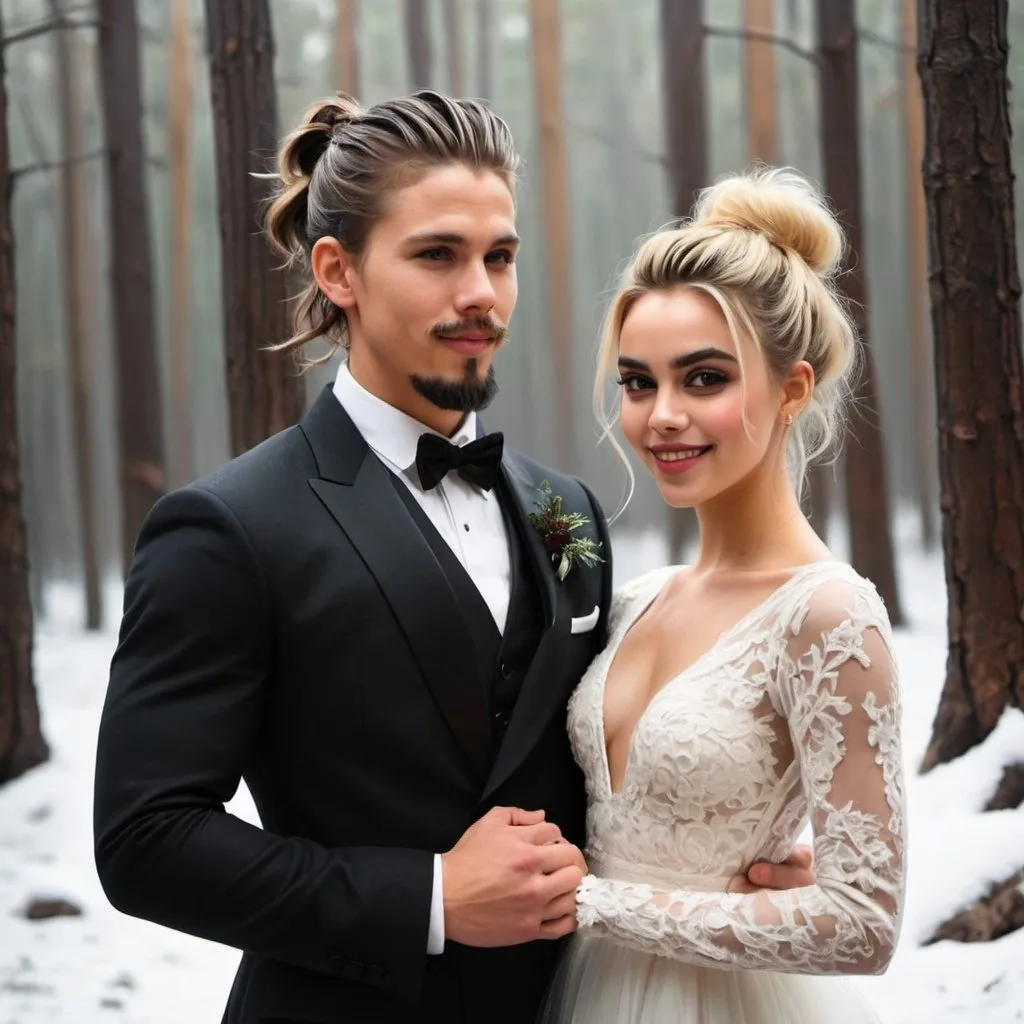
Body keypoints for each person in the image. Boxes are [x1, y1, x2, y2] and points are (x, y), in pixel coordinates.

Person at [93, 92, 814, 1024]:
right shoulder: (227, 528)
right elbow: (146, 840)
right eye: (438, 254)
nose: (481, 292)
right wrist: (429, 898)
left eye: (500, 257)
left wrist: (727, 871)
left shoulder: (566, 509)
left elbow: (586, 776)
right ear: (338, 270)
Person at [540, 167, 906, 1024]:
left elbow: (864, 924)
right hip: (574, 994)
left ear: (793, 388)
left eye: (703, 378)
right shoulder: (637, 600)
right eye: (637, 382)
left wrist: (589, 905)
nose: (661, 414)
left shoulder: (827, 616)